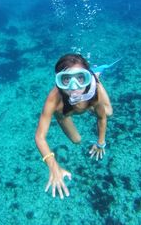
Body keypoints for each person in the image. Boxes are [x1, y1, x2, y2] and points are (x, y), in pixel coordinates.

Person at [35, 53, 113, 199]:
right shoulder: (53, 99)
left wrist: (101, 143)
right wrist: (53, 166)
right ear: (59, 81)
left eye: (80, 78)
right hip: (64, 113)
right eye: (66, 79)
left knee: (108, 112)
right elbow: (40, 137)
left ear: (86, 78)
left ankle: (96, 76)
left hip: (90, 99)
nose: (74, 87)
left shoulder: (93, 92)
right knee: (77, 140)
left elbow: (102, 118)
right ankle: (82, 102)